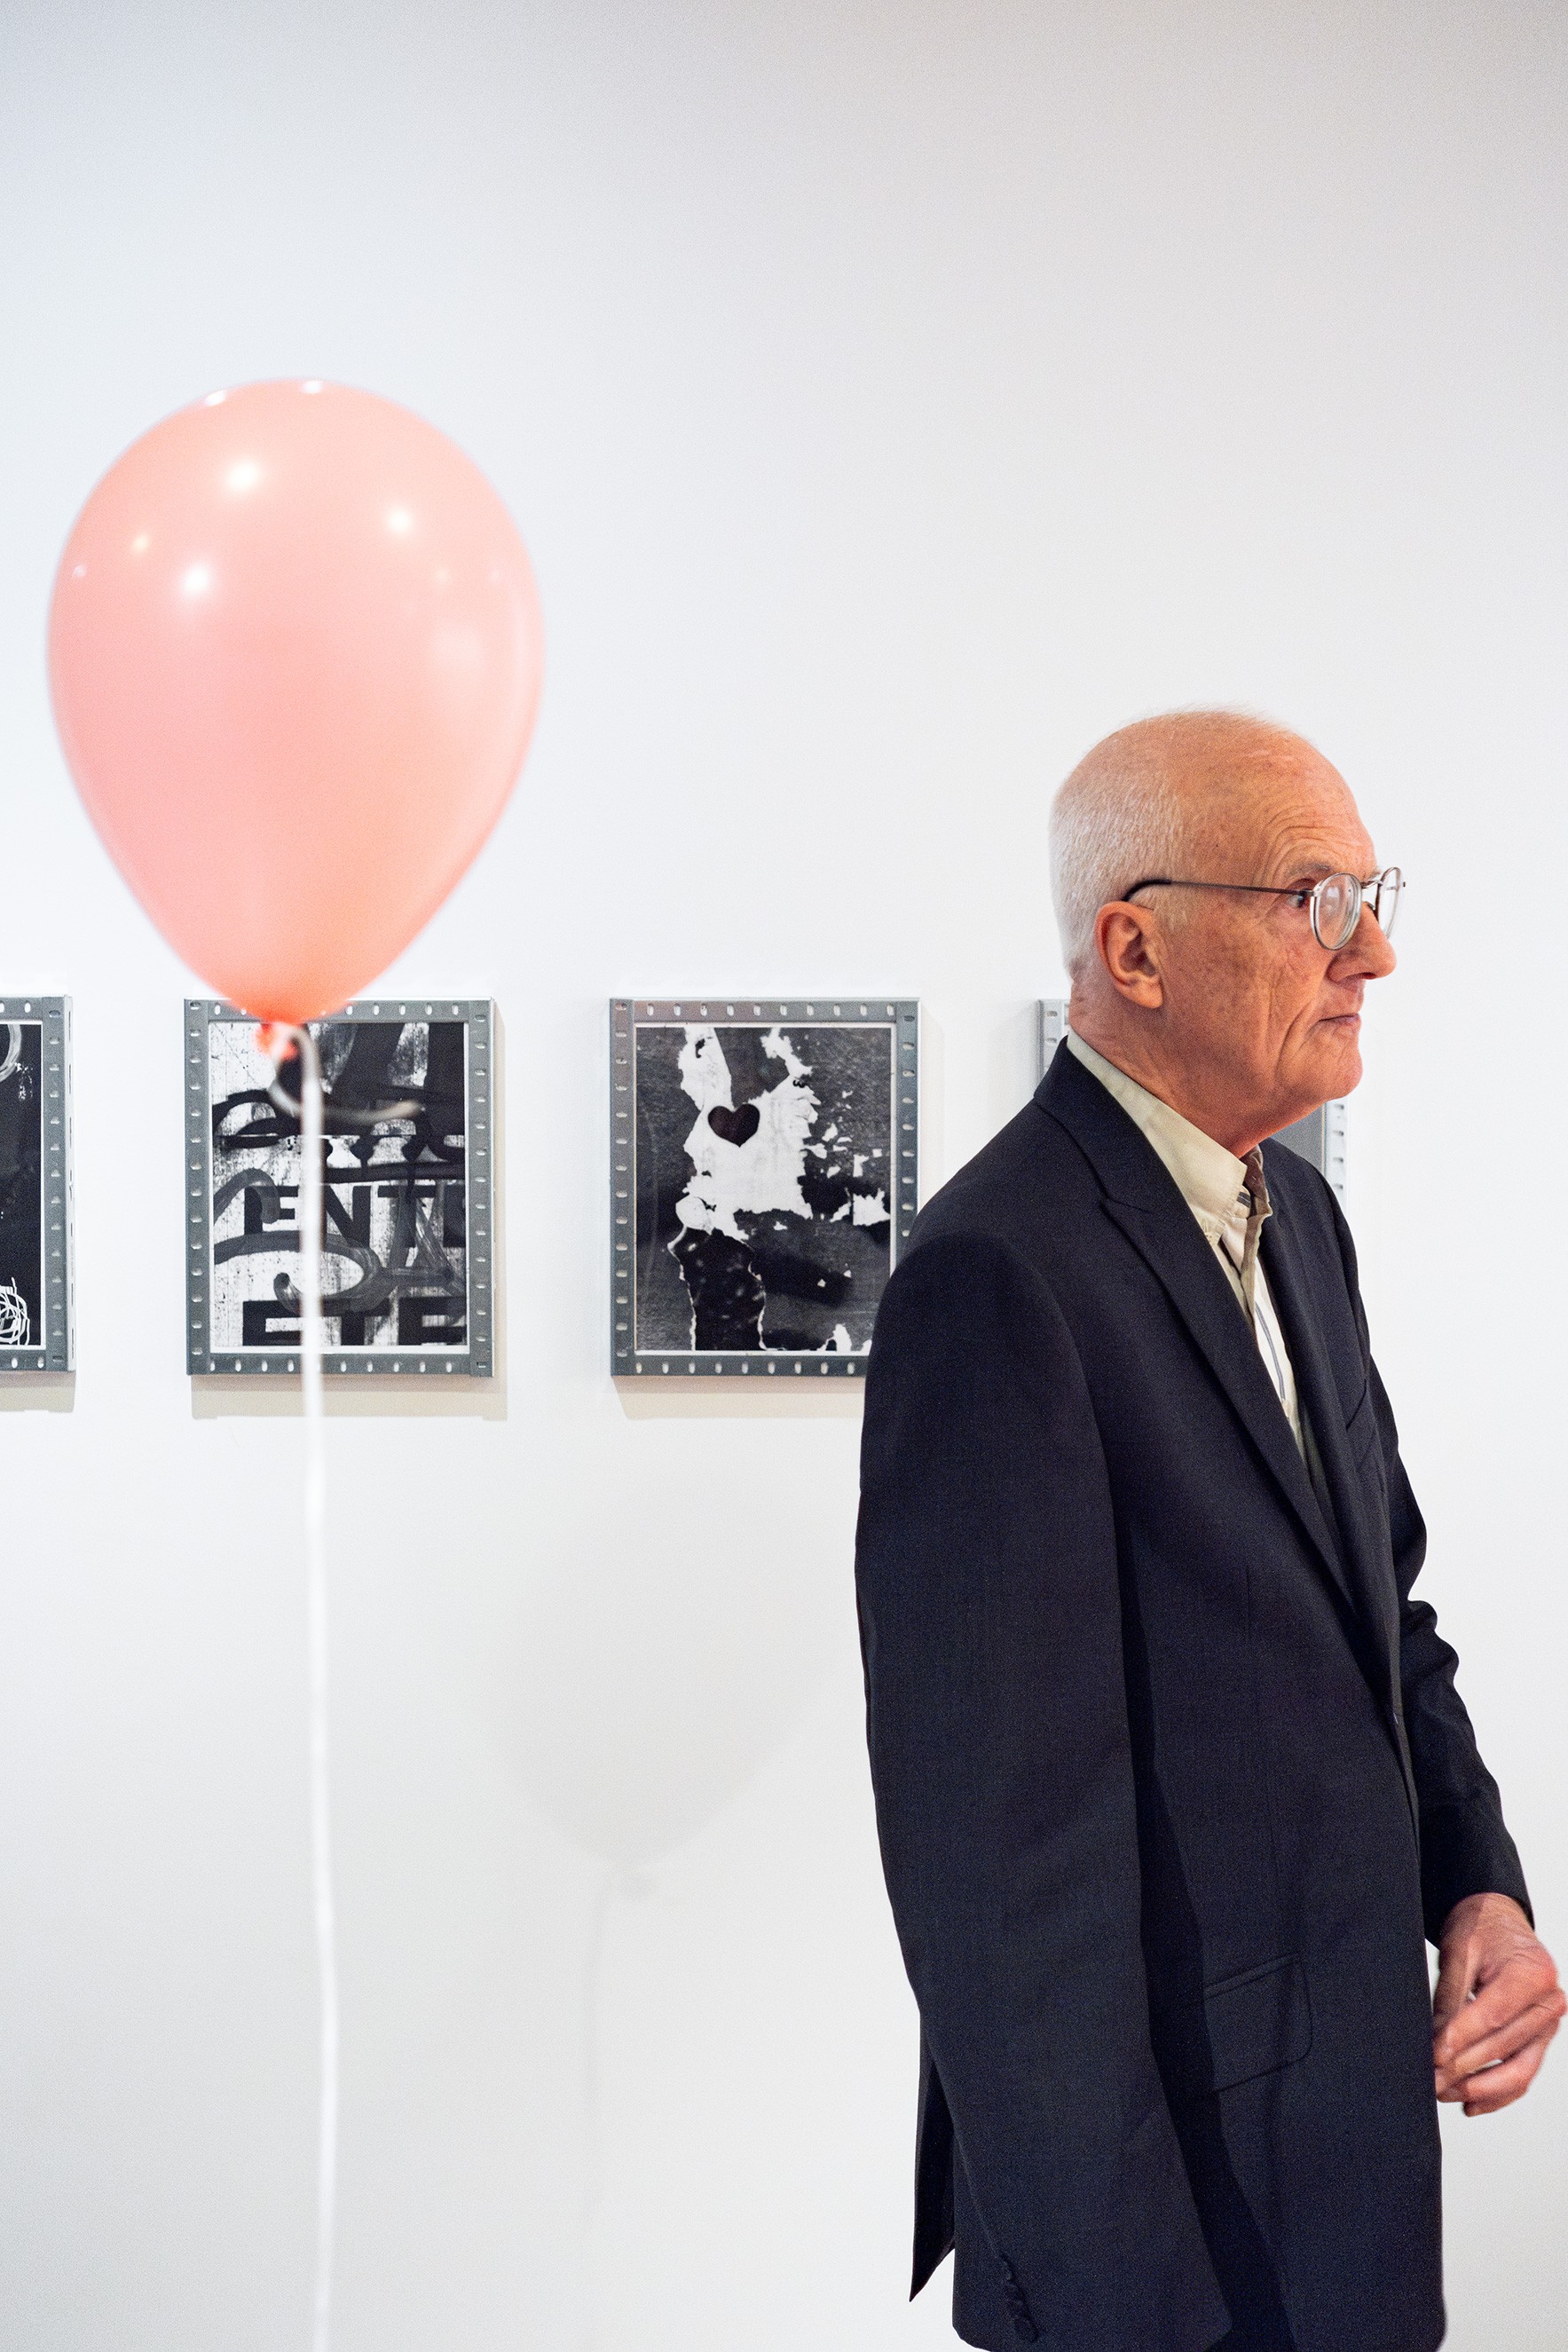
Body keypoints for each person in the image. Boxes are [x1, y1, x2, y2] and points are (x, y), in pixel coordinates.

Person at [854, 712, 1562, 2352]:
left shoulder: (1298, 1214)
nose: (1373, 952)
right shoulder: (995, 1275)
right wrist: (1131, 2314)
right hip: (1160, 2240)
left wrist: (1481, 1889)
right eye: (1319, 900)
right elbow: (1000, 1884)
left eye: (1372, 895)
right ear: (1136, 950)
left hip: (1347, 2182)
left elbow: (1382, 1614)